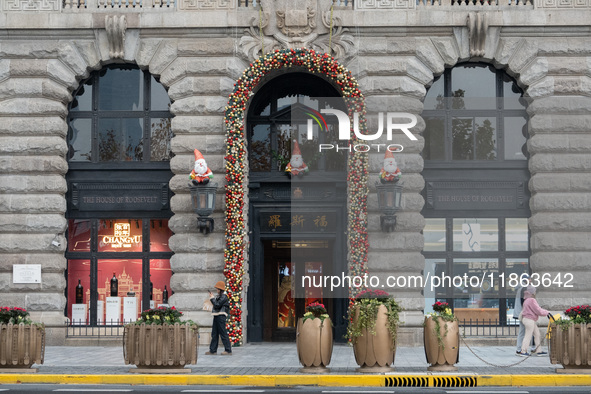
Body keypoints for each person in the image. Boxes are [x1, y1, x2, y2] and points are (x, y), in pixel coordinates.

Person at [517, 285, 551, 357]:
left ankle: (538, 351)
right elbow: (538, 310)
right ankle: (523, 351)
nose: (535, 292)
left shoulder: (526, 300)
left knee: (537, 334)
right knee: (528, 335)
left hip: (528, 319)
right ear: (532, 292)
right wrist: (547, 312)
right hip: (530, 320)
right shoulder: (532, 300)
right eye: (535, 291)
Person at [205, 281, 232, 356]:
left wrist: (212, 298)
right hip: (217, 315)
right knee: (214, 333)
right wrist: (213, 297)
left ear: (220, 289)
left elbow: (217, 305)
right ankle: (213, 350)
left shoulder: (224, 296)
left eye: (217, 289)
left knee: (223, 333)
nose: (216, 290)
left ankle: (228, 350)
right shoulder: (220, 296)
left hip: (221, 316)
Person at [513, 274, 534, 355]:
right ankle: (521, 349)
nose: (530, 280)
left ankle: (523, 348)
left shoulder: (521, 287)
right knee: (524, 331)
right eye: (529, 279)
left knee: (524, 331)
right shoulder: (524, 288)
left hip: (521, 312)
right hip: (523, 313)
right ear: (525, 280)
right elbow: (524, 302)